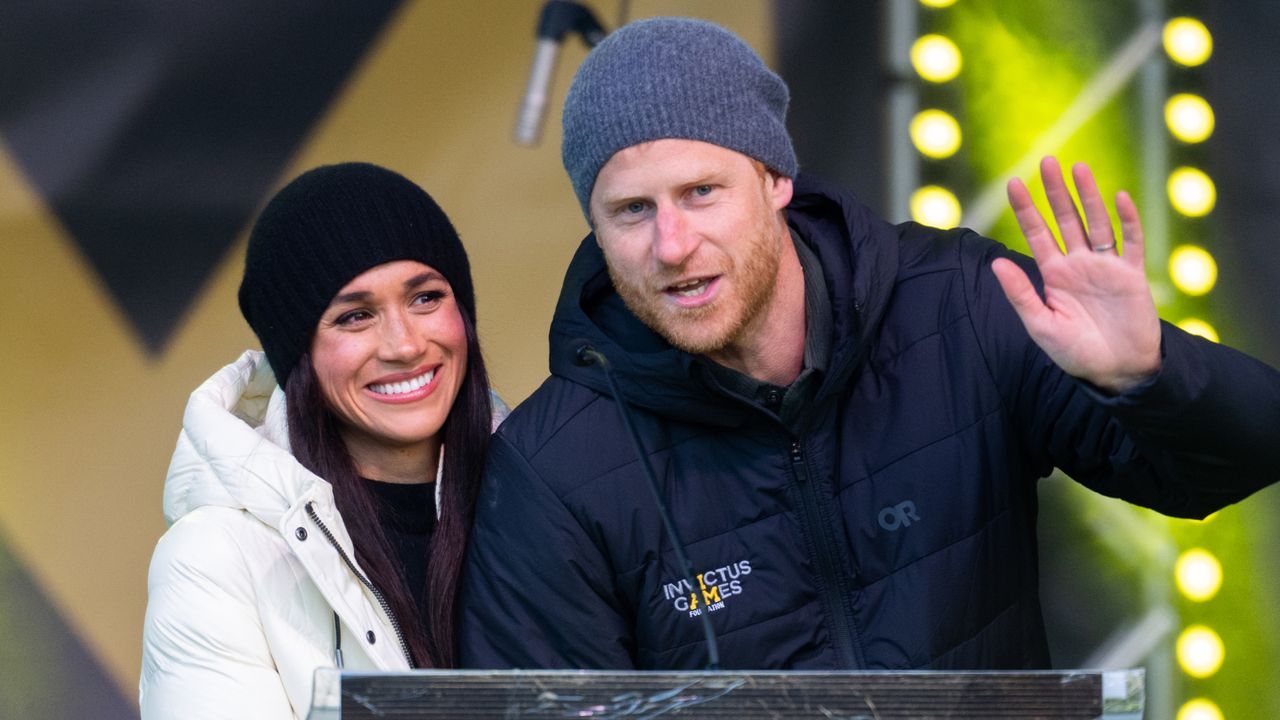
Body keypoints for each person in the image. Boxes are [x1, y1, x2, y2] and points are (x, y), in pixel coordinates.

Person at [459, 17, 1280, 670]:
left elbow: (1227, 467)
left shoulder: (958, 303)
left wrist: (1152, 377)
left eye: (701, 192)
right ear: (595, 229)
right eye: (632, 210)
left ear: (777, 181)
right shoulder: (553, 468)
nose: (671, 244)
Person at [140, 163, 499, 718]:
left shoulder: (553, 496)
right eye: (355, 316)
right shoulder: (215, 557)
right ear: (298, 357)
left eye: (425, 297)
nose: (403, 345)